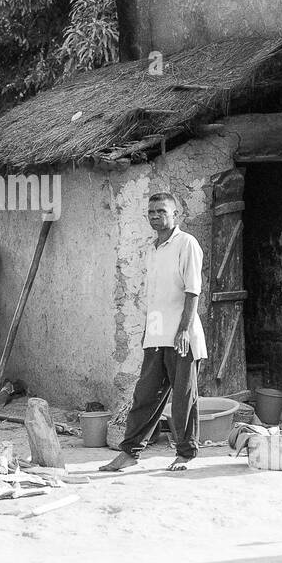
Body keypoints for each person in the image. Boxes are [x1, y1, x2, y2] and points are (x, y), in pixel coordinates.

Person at [101, 192, 207, 473]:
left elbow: (193, 291)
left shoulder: (187, 244)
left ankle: (185, 453)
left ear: (176, 215)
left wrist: (184, 330)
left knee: (184, 397)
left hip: (182, 335)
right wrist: (148, 332)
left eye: (161, 211)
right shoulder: (153, 248)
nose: (155, 216)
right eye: (151, 212)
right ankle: (130, 452)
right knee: (145, 395)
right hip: (157, 334)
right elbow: (155, 297)